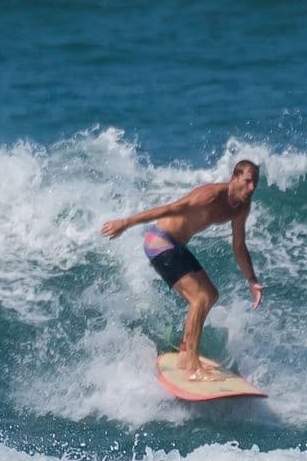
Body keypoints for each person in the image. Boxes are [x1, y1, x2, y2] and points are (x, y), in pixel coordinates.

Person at [101, 159, 263, 380]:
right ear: (234, 178)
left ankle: (186, 353)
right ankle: (193, 368)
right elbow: (169, 209)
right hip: (160, 242)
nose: (252, 188)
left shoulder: (241, 206)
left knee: (211, 295)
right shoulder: (209, 196)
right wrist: (126, 223)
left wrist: (251, 280)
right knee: (199, 298)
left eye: (255, 183)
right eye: (247, 181)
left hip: (176, 245)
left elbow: (239, 245)